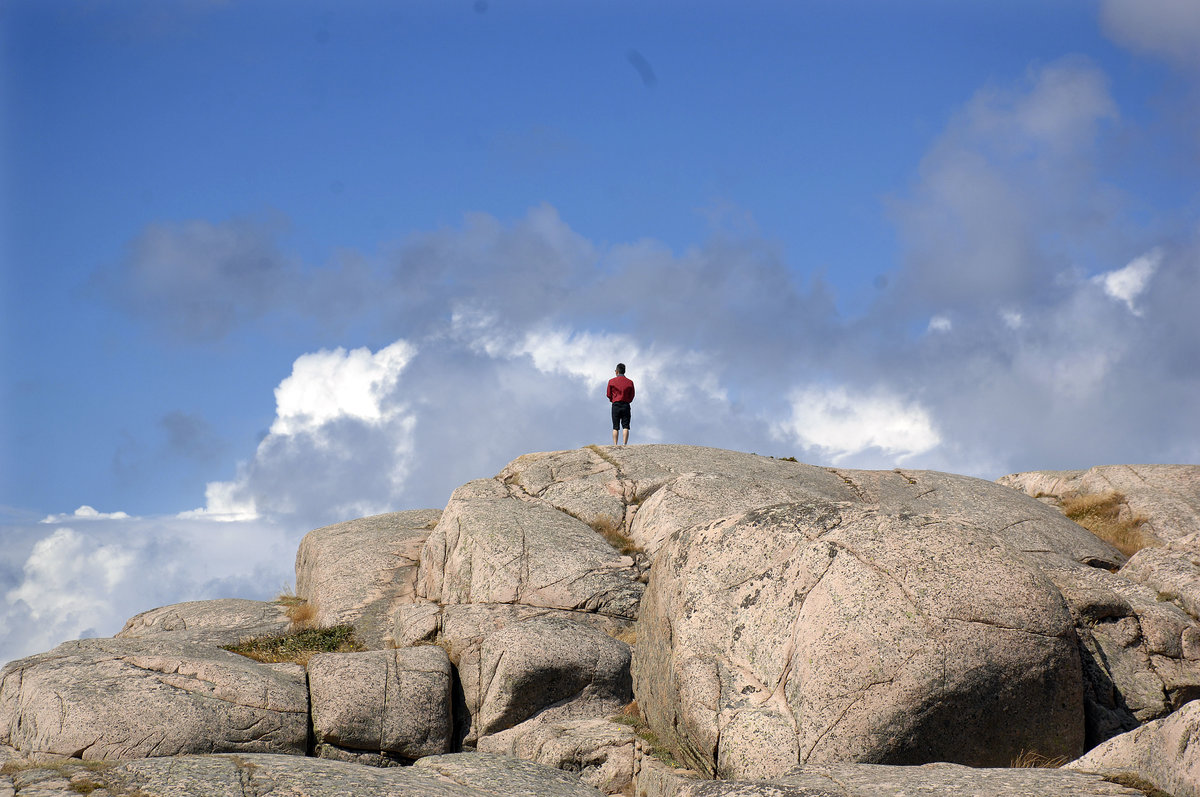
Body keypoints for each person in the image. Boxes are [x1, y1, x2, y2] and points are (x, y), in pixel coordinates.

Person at [607, 363, 634, 446]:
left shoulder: (611, 381)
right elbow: (632, 395)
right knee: (625, 426)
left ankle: (615, 444)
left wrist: (613, 399)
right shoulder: (630, 382)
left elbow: (608, 394)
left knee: (615, 426)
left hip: (615, 404)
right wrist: (627, 400)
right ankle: (624, 444)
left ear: (617, 371)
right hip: (626, 404)